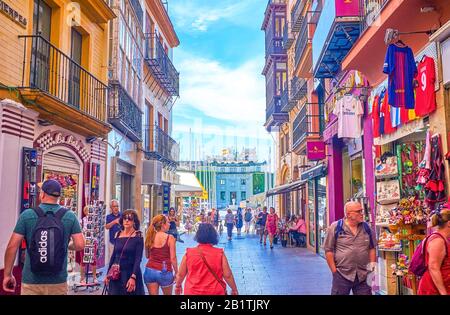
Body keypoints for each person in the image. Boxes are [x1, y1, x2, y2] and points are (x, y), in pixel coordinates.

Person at [2, 179, 85, 295]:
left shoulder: (27, 215)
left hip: (31, 282)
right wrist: (66, 245)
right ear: (58, 197)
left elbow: (12, 247)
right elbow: (80, 245)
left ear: (43, 194)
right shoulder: (69, 216)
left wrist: (7, 275)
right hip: (58, 282)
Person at [323, 201, 376, 295]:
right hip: (342, 275)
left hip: (363, 275)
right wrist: (334, 271)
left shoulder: (367, 228)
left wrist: (371, 268)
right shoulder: (335, 227)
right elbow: (328, 250)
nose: (362, 213)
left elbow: (372, 248)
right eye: (358, 211)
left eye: (362, 211)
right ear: (348, 214)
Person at [175, 223, 238, 295]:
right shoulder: (219, 253)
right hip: (215, 291)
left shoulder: (189, 253)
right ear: (213, 236)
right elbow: (227, 275)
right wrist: (234, 289)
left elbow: (180, 274)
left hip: (192, 291)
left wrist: (178, 286)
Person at [105, 209, 144, 295]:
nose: (126, 220)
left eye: (130, 219)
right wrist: (108, 274)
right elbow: (114, 255)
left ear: (134, 221)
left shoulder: (138, 236)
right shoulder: (118, 234)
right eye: (124, 218)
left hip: (130, 272)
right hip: (117, 273)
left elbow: (138, 259)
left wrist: (133, 277)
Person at [418, 208, 450, 295]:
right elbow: (433, 267)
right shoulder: (438, 241)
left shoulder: (440, 238)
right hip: (433, 288)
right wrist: (443, 292)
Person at [144, 215, 178, 295]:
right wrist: (177, 273)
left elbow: (147, 256)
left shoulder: (150, 237)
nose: (169, 224)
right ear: (163, 224)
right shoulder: (170, 238)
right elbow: (173, 258)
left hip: (150, 270)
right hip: (164, 271)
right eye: (168, 222)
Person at [79, 205, 98, 283]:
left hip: (93, 242)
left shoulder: (95, 221)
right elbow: (79, 231)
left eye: (91, 210)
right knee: (83, 260)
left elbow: (97, 232)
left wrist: (95, 230)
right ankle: (82, 278)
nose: (90, 212)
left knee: (93, 259)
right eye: (88, 210)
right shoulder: (81, 221)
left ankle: (94, 277)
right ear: (85, 212)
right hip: (84, 242)